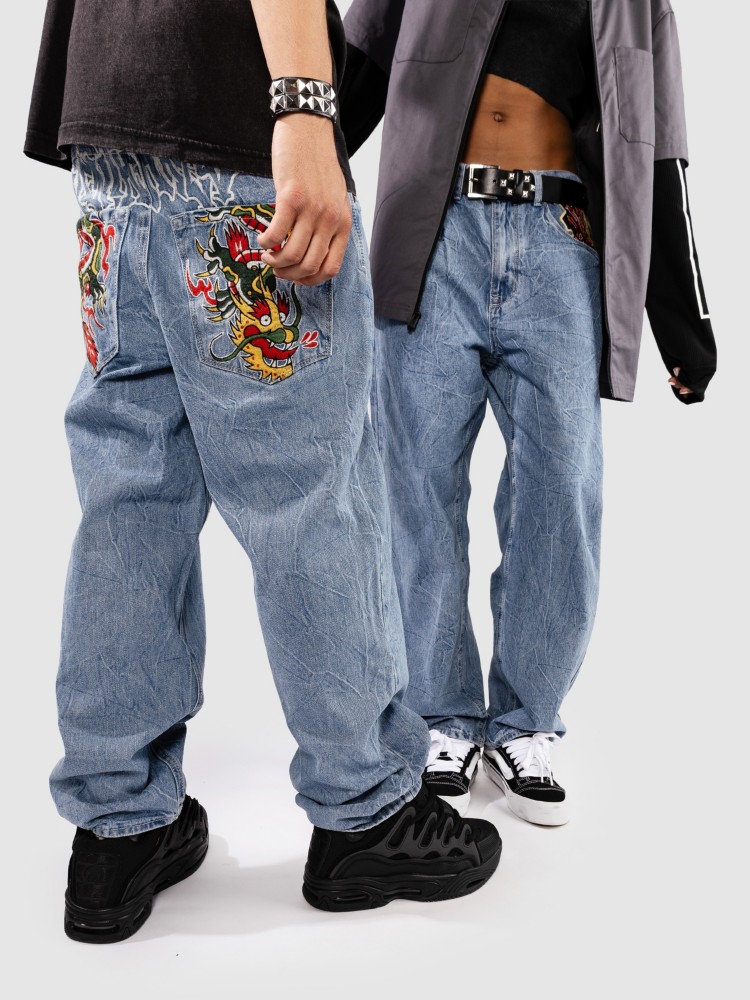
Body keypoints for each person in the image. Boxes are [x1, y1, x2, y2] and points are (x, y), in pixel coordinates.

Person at [24, 0, 502, 941]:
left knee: (129, 493)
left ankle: (118, 824)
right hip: (232, 120)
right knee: (308, 495)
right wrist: (303, 106)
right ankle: (366, 805)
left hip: (109, 125)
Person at [341, 0, 716, 824]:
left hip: (560, 243)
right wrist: (283, 183)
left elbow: (660, 150)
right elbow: (354, 75)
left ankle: (526, 722)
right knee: (416, 488)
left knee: (562, 491)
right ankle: (441, 717)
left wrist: (684, 322)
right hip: (433, 233)